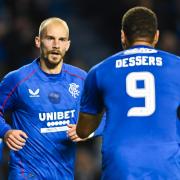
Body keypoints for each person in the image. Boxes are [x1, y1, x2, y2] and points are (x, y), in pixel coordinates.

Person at [76, 6, 180, 179]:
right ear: (156, 36)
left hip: (121, 164)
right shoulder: (177, 66)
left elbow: (84, 131)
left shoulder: (99, 71)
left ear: (123, 36)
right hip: (166, 161)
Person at [0, 17, 104, 179]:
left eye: (62, 39)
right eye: (50, 38)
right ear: (38, 41)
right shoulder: (18, 79)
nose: (56, 45)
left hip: (63, 174)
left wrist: (87, 131)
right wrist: (5, 132)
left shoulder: (81, 79)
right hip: (26, 173)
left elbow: (106, 116)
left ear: (67, 45)